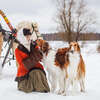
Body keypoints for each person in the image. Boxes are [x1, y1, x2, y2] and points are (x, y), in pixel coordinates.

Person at [15, 28, 50, 93]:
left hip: (36, 68)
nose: (28, 37)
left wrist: (34, 58)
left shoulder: (34, 45)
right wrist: (34, 58)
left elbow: (40, 56)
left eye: (29, 35)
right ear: (22, 36)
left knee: (37, 72)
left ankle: (40, 87)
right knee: (33, 75)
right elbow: (22, 65)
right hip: (25, 71)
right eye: (26, 35)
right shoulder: (18, 50)